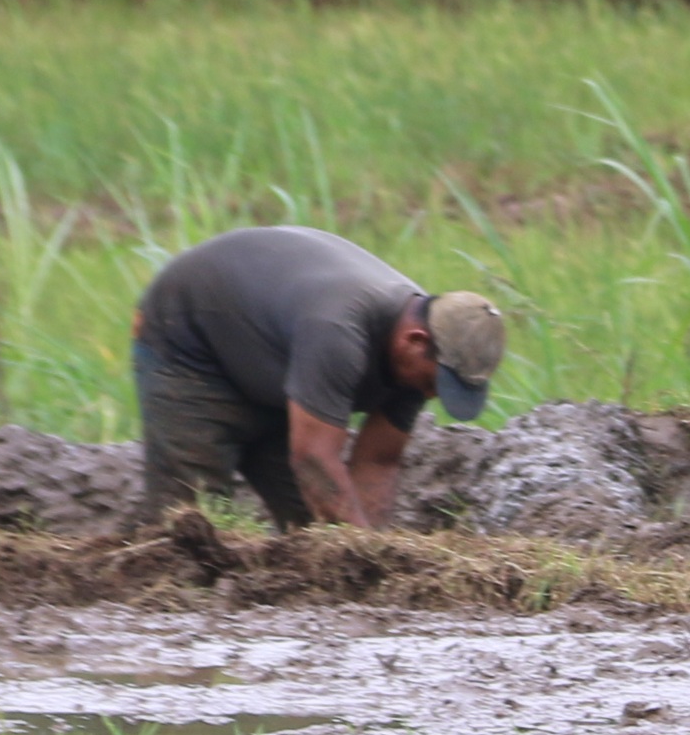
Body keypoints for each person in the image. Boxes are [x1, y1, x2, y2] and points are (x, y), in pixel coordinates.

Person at [127, 223, 508, 530]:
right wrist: (358, 554)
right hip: (189, 339)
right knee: (192, 523)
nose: (434, 395)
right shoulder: (339, 331)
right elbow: (313, 456)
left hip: (276, 365)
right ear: (414, 341)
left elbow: (378, 462)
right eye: (435, 384)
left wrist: (375, 554)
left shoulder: (418, 357)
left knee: (312, 531)